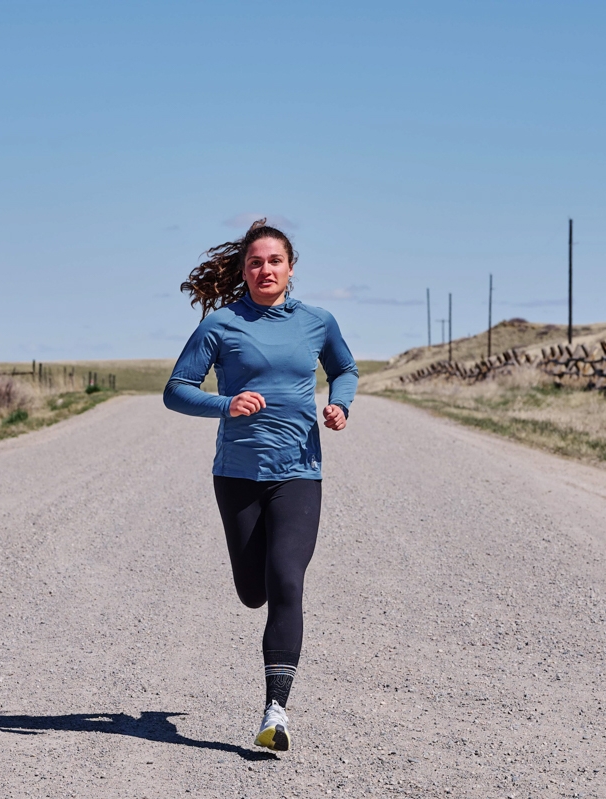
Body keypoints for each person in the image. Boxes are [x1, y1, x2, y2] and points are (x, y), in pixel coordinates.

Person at [163, 219, 358, 751]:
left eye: (274, 261)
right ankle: (265, 613)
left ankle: (276, 711)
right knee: (254, 592)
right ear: (244, 270)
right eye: (255, 262)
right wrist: (227, 404)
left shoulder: (318, 321)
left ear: (290, 268)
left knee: (287, 582)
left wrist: (340, 402)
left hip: (299, 470)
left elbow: (345, 368)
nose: (265, 269)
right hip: (237, 475)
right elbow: (176, 390)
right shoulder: (221, 325)